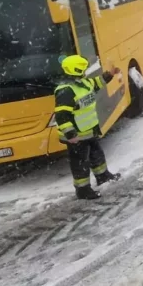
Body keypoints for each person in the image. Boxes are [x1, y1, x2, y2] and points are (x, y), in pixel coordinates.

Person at [54, 55, 122, 200]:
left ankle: (103, 176)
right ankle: (83, 189)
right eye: (83, 69)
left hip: (89, 131)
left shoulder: (83, 83)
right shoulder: (66, 91)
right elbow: (62, 115)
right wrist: (71, 135)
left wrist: (110, 74)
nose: (86, 72)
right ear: (76, 70)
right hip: (77, 136)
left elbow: (97, 82)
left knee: (96, 154)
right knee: (80, 162)